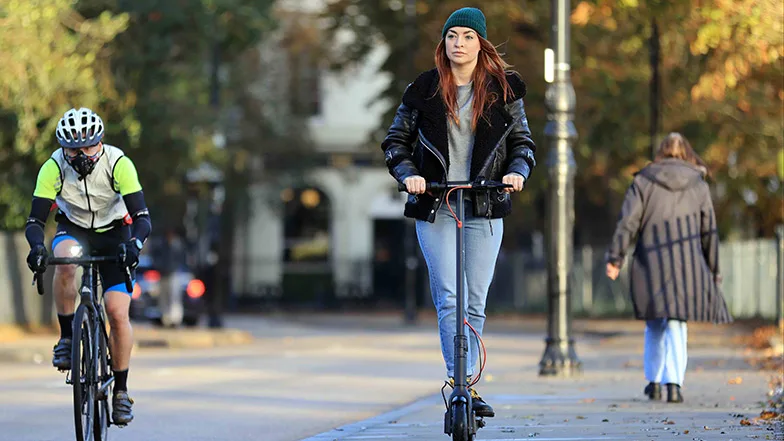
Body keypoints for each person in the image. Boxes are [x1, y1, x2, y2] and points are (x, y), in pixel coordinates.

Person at [381, 7, 536, 418]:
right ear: (444, 43)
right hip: (437, 203)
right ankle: (460, 383)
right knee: (449, 297)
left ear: (480, 43)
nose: (459, 44)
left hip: (484, 203)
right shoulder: (424, 89)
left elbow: (523, 145)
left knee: (475, 301)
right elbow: (395, 142)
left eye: (468, 36)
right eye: (453, 36)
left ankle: (469, 383)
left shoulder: (504, 90)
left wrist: (517, 173)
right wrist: (410, 175)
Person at [25, 107, 152, 424]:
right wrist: (38, 248)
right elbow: (35, 221)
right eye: (73, 149)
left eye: (88, 147)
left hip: (115, 232)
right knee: (66, 261)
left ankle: (121, 392)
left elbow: (142, 219)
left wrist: (134, 245)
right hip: (74, 227)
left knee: (116, 311)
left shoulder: (118, 163)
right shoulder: (52, 168)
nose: (81, 155)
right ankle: (68, 338)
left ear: (100, 142)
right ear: (62, 148)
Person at [605, 132, 731, 404]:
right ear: (686, 153)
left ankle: (654, 381)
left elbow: (628, 222)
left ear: (661, 153)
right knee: (677, 321)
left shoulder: (643, 180)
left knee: (654, 322)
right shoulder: (698, 183)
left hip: (651, 260)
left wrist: (615, 257)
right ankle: (674, 383)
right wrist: (714, 269)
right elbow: (709, 230)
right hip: (687, 262)